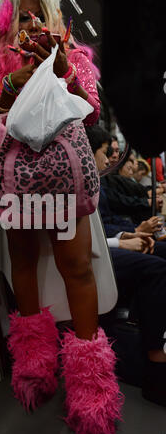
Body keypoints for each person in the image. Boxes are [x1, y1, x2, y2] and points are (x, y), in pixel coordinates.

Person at [0, 0, 123, 434]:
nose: (28, 20)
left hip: (63, 179)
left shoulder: (72, 54)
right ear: (7, 21)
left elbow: (92, 110)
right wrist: (12, 82)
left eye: (35, 12)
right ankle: (34, 365)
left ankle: (90, 385)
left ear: (49, 16)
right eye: (20, 14)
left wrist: (62, 72)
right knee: (22, 265)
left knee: (76, 269)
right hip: (16, 178)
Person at [88, 124, 166, 407]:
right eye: (107, 152)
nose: (111, 159)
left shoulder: (96, 181)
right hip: (90, 255)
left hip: (105, 243)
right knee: (155, 268)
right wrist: (123, 241)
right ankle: (156, 361)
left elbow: (103, 225)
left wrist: (128, 235)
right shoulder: (84, 183)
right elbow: (86, 233)